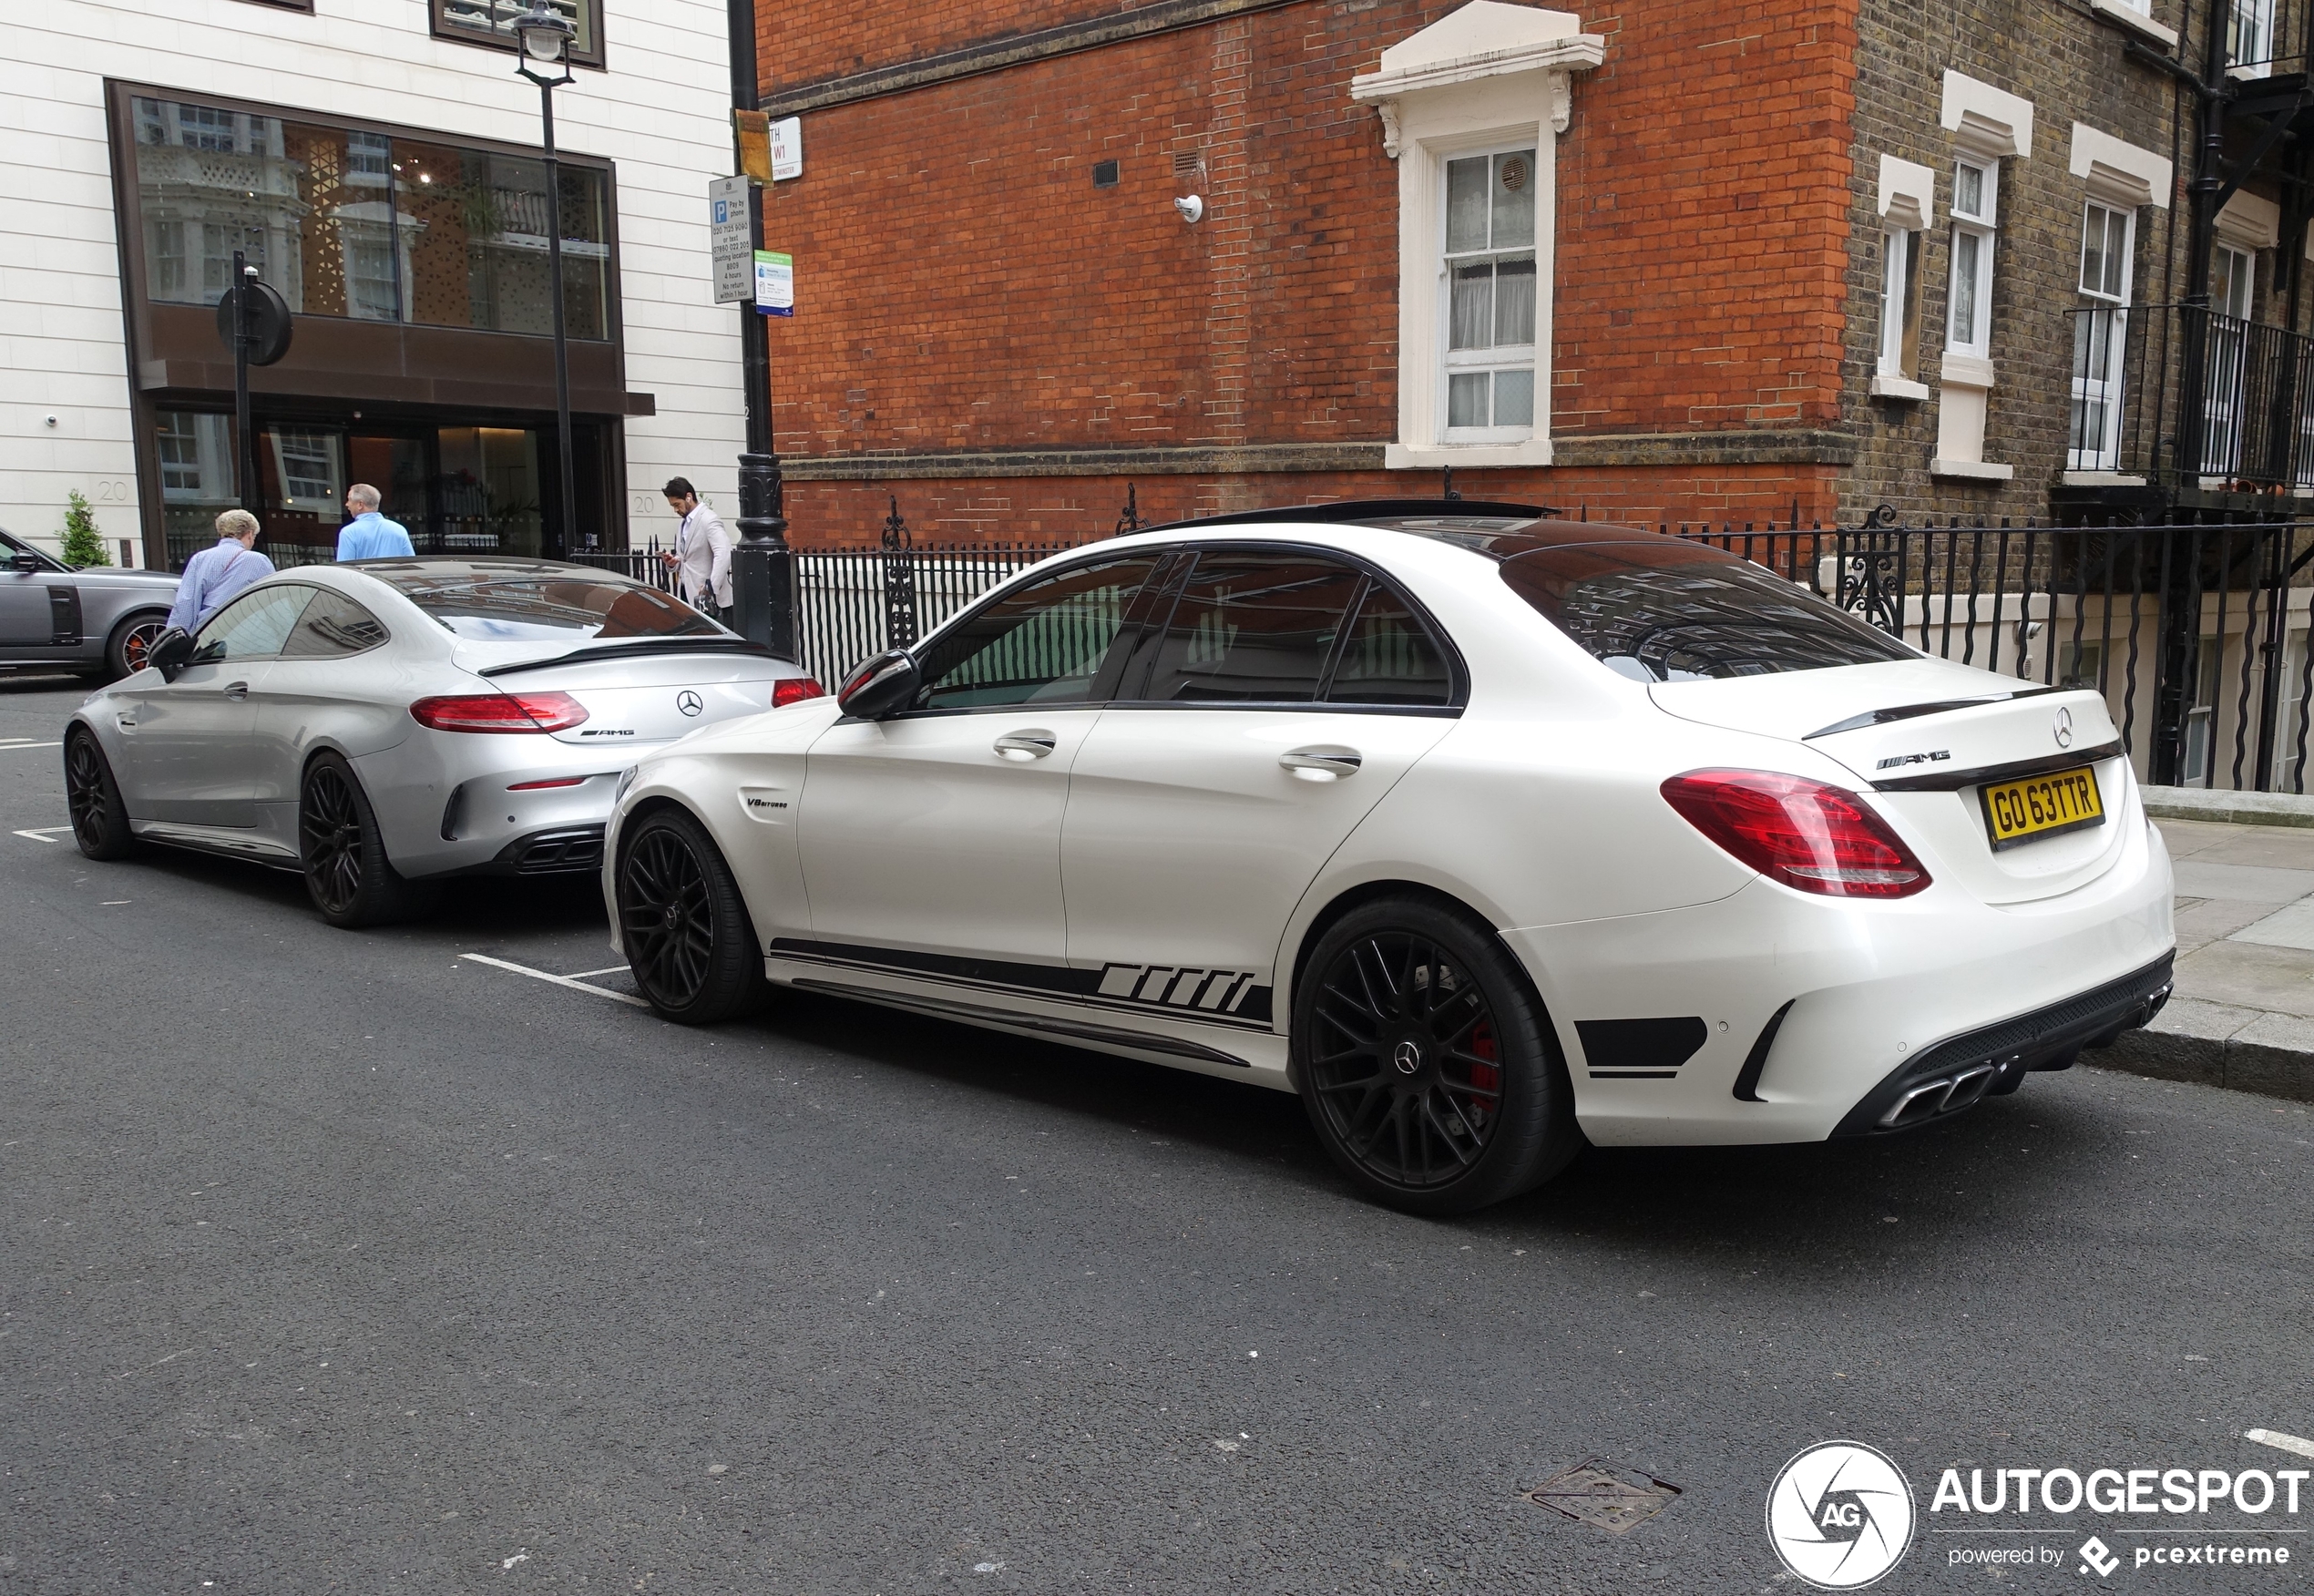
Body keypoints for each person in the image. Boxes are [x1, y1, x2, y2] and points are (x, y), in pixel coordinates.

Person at [166, 509, 273, 632]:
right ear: (249, 534)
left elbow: (186, 602)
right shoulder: (259, 561)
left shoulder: (200, 558)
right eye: (254, 536)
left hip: (207, 630)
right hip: (247, 633)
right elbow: (273, 601)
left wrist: (177, 635)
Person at [660, 477, 732, 623]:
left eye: (677, 504)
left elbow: (723, 553)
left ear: (689, 497)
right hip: (687, 593)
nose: (675, 510)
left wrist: (710, 588)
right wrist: (673, 562)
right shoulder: (683, 524)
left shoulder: (709, 519)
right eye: (673, 506)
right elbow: (687, 558)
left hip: (709, 600)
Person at [336, 484, 415, 560]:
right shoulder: (399, 530)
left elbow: (344, 569)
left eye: (349, 500)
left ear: (360, 504)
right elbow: (411, 564)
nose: (347, 504)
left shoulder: (348, 533)